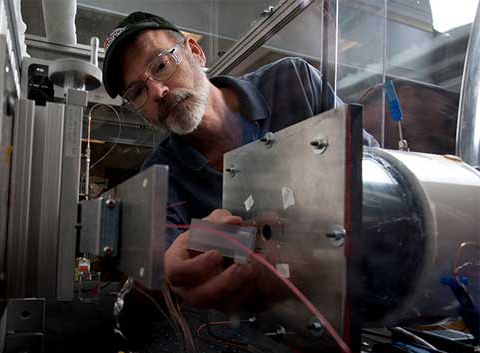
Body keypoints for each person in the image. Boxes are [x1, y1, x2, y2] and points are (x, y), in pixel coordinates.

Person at [102, 11, 377, 311]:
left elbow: (375, 171)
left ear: (195, 51)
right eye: (138, 91)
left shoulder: (293, 83)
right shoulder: (160, 176)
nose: (158, 92)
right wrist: (173, 277)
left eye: (161, 64)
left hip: (367, 288)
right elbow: (164, 273)